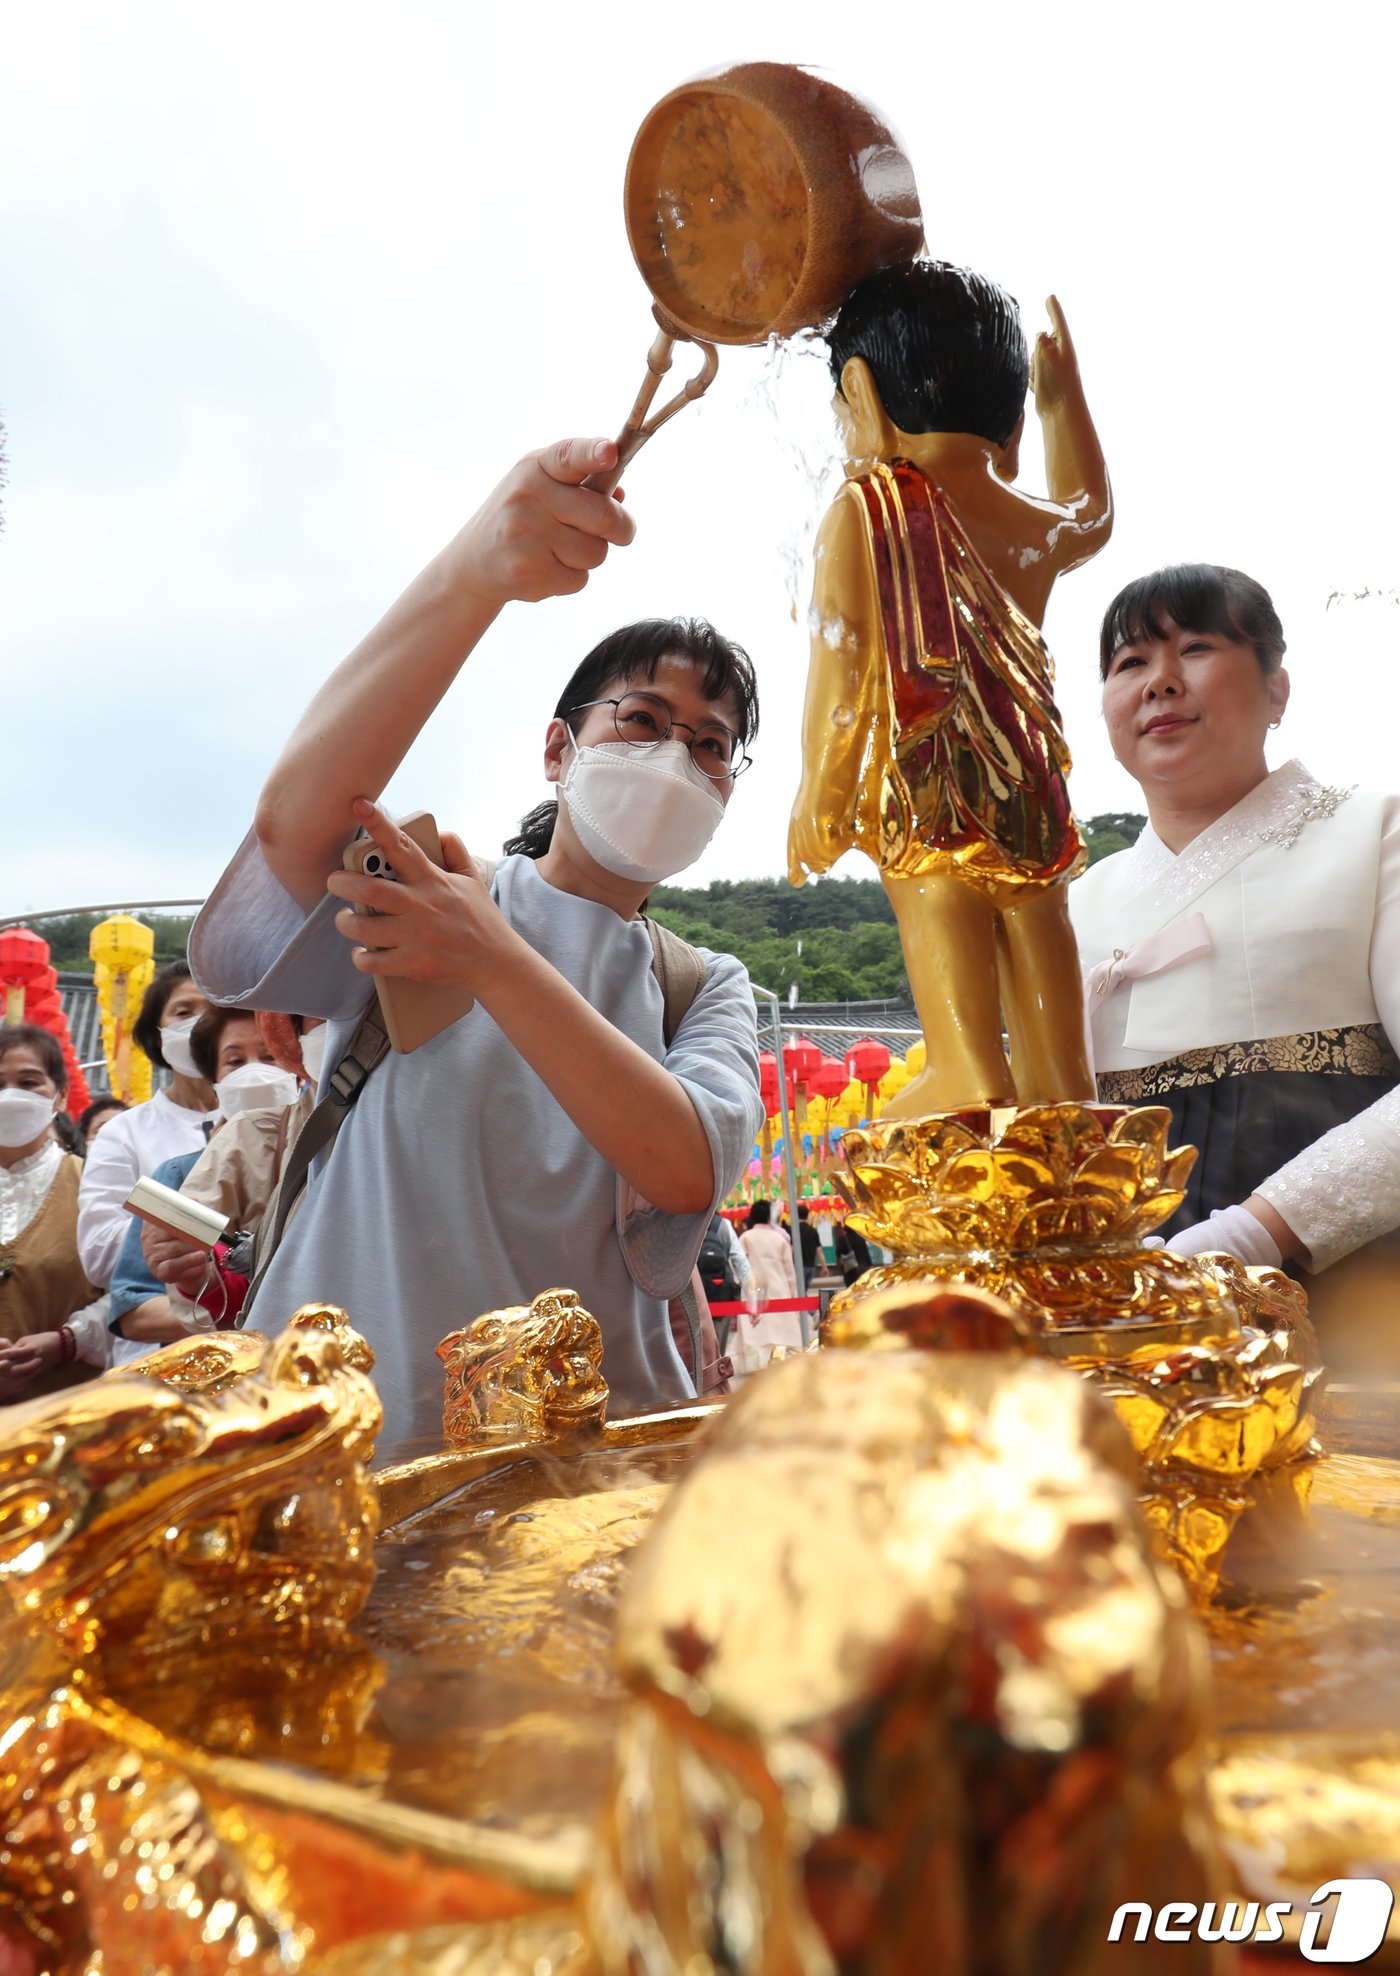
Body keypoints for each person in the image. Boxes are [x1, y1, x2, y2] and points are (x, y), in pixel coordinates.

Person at [189, 436, 764, 1450]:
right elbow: (295, 822)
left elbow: (681, 1168)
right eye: (642, 719)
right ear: (559, 747)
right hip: (341, 1440)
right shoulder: (426, 890)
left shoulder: (702, 987)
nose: (677, 757)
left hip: (575, 1480)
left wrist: (492, 959)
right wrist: (475, 573)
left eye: (710, 744)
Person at [788, 261, 1112, 1116]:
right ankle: (1061, 1087)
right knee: (1041, 921)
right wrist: (1060, 402)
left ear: (860, 395)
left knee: (943, 906)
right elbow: (1092, 511)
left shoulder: (863, 510)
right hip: (1035, 791)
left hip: (930, 788)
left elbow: (841, 671)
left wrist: (817, 792)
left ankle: (966, 1066)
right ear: (1007, 423)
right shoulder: (1029, 524)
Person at [1071, 562, 1400, 1364]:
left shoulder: (1375, 831)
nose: (1159, 683)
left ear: (1276, 689)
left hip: (1357, 1296)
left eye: (1195, 647)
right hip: (1135, 1319)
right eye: (1130, 664)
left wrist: (1252, 1233)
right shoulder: (1074, 904)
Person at [110, 1007, 290, 1344]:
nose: (255, 1072)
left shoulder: (333, 1152)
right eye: (235, 1061)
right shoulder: (177, 1174)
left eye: (270, 1057)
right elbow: (132, 1308)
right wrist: (198, 1283)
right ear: (215, 1082)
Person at [76, 961, 217, 1288]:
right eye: (183, 1012)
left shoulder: (269, 1121)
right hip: (154, 1329)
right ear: (158, 1034)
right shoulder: (122, 1132)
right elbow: (98, 1255)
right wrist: (205, 1222)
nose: (200, 1023)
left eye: (214, 1011)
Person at [0, 1025, 110, 1400]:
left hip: (68, 1414)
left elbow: (131, 1291)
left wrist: (67, 1341)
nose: (10, 1096)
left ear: (60, 1097)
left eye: (28, 1082)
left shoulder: (96, 1185)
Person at [739, 1199, 797, 1304]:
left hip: (753, 1295)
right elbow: (789, 1271)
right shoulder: (780, 1239)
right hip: (780, 1293)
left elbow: (736, 1264)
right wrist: (792, 1293)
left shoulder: (745, 1238)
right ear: (770, 1217)